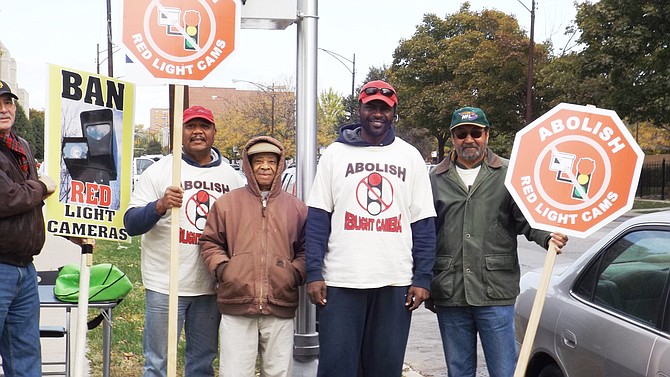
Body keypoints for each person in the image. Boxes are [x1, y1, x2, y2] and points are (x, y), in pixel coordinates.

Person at [305, 80, 437, 376]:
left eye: (384, 109)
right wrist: (313, 272)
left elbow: (424, 223)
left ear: (393, 113)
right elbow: (317, 218)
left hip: (395, 282)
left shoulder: (410, 157)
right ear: (360, 109)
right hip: (341, 281)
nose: (377, 114)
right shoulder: (335, 155)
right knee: (337, 368)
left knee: (385, 369)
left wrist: (422, 278)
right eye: (371, 107)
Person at [428, 106, 568, 377]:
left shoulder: (509, 173)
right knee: (458, 370)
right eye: (462, 133)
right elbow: (424, 232)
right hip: (450, 291)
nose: (469, 139)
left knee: (505, 370)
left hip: (495, 292)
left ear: (487, 135)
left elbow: (526, 219)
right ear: (453, 137)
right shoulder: (435, 178)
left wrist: (547, 236)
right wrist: (423, 281)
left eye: (475, 133)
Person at [124, 105, 245, 377]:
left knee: (202, 363)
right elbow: (131, 223)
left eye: (204, 126)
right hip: (165, 284)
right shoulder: (160, 171)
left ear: (214, 132)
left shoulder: (231, 177)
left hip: (209, 286)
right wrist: (159, 205)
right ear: (180, 132)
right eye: (191, 126)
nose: (198, 132)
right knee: (157, 364)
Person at [199, 136, 307, 377]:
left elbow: (306, 248)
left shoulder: (297, 208)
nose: (265, 166)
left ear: (280, 166)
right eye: (258, 161)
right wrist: (225, 270)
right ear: (248, 165)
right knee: (235, 372)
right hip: (237, 303)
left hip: (281, 303)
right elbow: (210, 242)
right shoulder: (227, 204)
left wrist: (294, 273)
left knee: (278, 372)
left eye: (271, 161)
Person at [0, 80, 57, 376]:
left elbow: (32, 202)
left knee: (25, 356)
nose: (3, 109)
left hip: (25, 269)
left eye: (8, 102)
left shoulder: (21, 145)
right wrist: (42, 185)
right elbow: (7, 198)